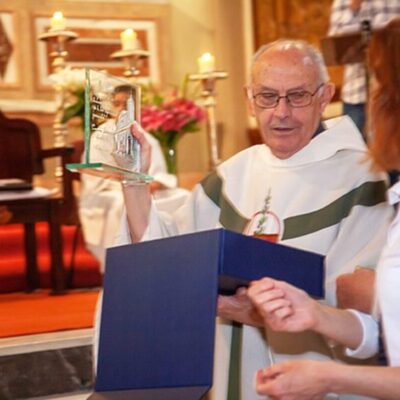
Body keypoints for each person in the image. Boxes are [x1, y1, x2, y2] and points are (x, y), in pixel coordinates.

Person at [118, 39, 393, 400]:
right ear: (249, 99)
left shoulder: (361, 179)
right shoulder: (231, 176)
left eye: (297, 96)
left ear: (325, 97)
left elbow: (366, 308)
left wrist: (258, 311)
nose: (281, 112)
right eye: (267, 96)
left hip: (317, 380)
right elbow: (164, 256)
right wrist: (134, 181)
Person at [248, 18, 400, 400]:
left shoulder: (361, 177)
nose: (369, 102)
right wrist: (315, 314)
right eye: (268, 96)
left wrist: (330, 378)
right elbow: (387, 338)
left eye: (379, 86)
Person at [79, 85, 183, 272]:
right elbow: (95, 173)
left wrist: (154, 183)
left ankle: (172, 259)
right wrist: (126, 180)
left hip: (148, 188)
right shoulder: (100, 137)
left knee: (182, 196)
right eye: (117, 104)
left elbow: (159, 172)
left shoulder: (145, 136)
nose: (122, 109)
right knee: (122, 203)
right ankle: (124, 266)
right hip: (110, 191)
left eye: (126, 104)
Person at [328, 0, 400, 138]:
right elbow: (334, 46)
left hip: (394, 94)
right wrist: (353, 8)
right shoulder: (343, 2)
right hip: (357, 93)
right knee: (353, 146)